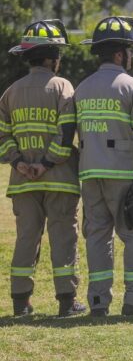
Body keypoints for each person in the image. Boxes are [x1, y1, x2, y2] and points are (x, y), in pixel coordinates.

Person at [1, 20, 85, 317]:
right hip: (59, 179)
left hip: (23, 181)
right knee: (63, 238)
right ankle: (67, 302)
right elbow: (66, 134)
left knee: (26, 239)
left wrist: (19, 162)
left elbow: (2, 135)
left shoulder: (11, 92)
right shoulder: (63, 87)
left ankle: (21, 303)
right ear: (51, 58)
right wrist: (46, 163)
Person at [77, 16, 133, 316]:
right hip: (124, 174)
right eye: (130, 51)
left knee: (97, 236)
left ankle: (98, 302)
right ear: (121, 54)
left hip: (90, 172)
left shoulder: (81, 88)